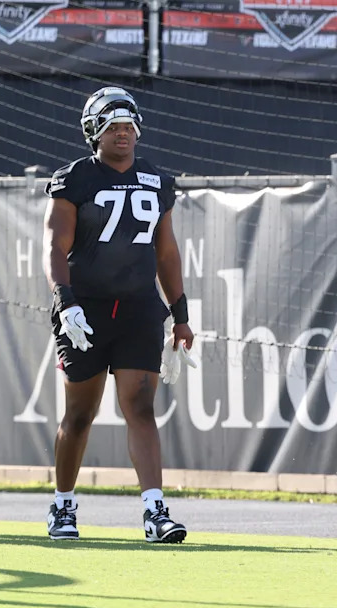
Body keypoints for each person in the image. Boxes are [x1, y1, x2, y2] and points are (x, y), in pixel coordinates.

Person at [43, 86, 197, 543]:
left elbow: (166, 252)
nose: (123, 133)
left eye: (129, 125)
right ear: (94, 131)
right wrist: (64, 301)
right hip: (85, 308)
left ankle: (155, 511)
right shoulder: (74, 178)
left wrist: (180, 314)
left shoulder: (157, 180)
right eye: (113, 126)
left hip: (137, 307)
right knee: (80, 414)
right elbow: (55, 244)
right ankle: (63, 504)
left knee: (141, 407)